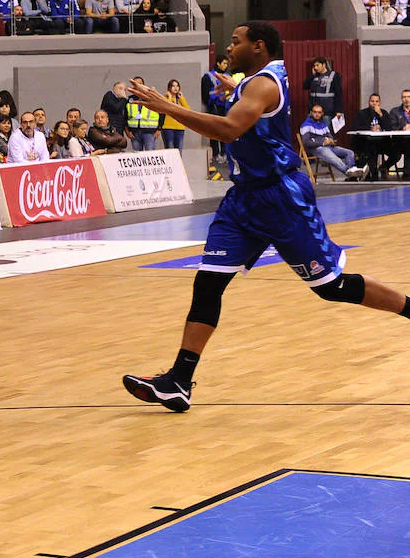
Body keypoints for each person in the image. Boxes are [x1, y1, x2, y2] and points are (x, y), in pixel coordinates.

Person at [121, 21, 410, 413]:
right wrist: (231, 88)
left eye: (236, 40)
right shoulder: (254, 80)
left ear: (258, 47)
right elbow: (245, 111)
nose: (229, 44)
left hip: (281, 198)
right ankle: (179, 381)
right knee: (208, 284)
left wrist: (166, 106)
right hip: (244, 199)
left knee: (330, 287)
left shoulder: (262, 84)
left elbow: (229, 129)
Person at [300, 104, 365, 180]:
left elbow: (329, 135)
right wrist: (323, 143)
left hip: (328, 146)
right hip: (316, 148)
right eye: (315, 112)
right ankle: (351, 172)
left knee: (349, 152)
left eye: (319, 112)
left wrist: (331, 140)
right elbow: (306, 142)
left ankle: (352, 175)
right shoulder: (305, 125)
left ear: (322, 113)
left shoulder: (323, 124)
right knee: (335, 158)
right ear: (311, 113)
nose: (317, 114)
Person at [302, 57, 343, 133]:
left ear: (324, 65)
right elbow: (305, 86)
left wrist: (338, 110)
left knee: (326, 133)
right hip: (313, 111)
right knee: (311, 132)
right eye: (314, 66)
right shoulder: (314, 76)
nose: (316, 67)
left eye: (317, 65)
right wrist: (312, 75)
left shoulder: (334, 75)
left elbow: (338, 94)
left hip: (326, 111)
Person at [161, 79, 189, 151]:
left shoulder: (180, 99)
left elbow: (188, 111)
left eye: (177, 86)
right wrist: (169, 98)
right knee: (170, 149)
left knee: (179, 150)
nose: (175, 88)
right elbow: (166, 109)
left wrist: (182, 98)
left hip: (180, 128)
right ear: (169, 88)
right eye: (173, 86)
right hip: (168, 127)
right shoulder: (165, 98)